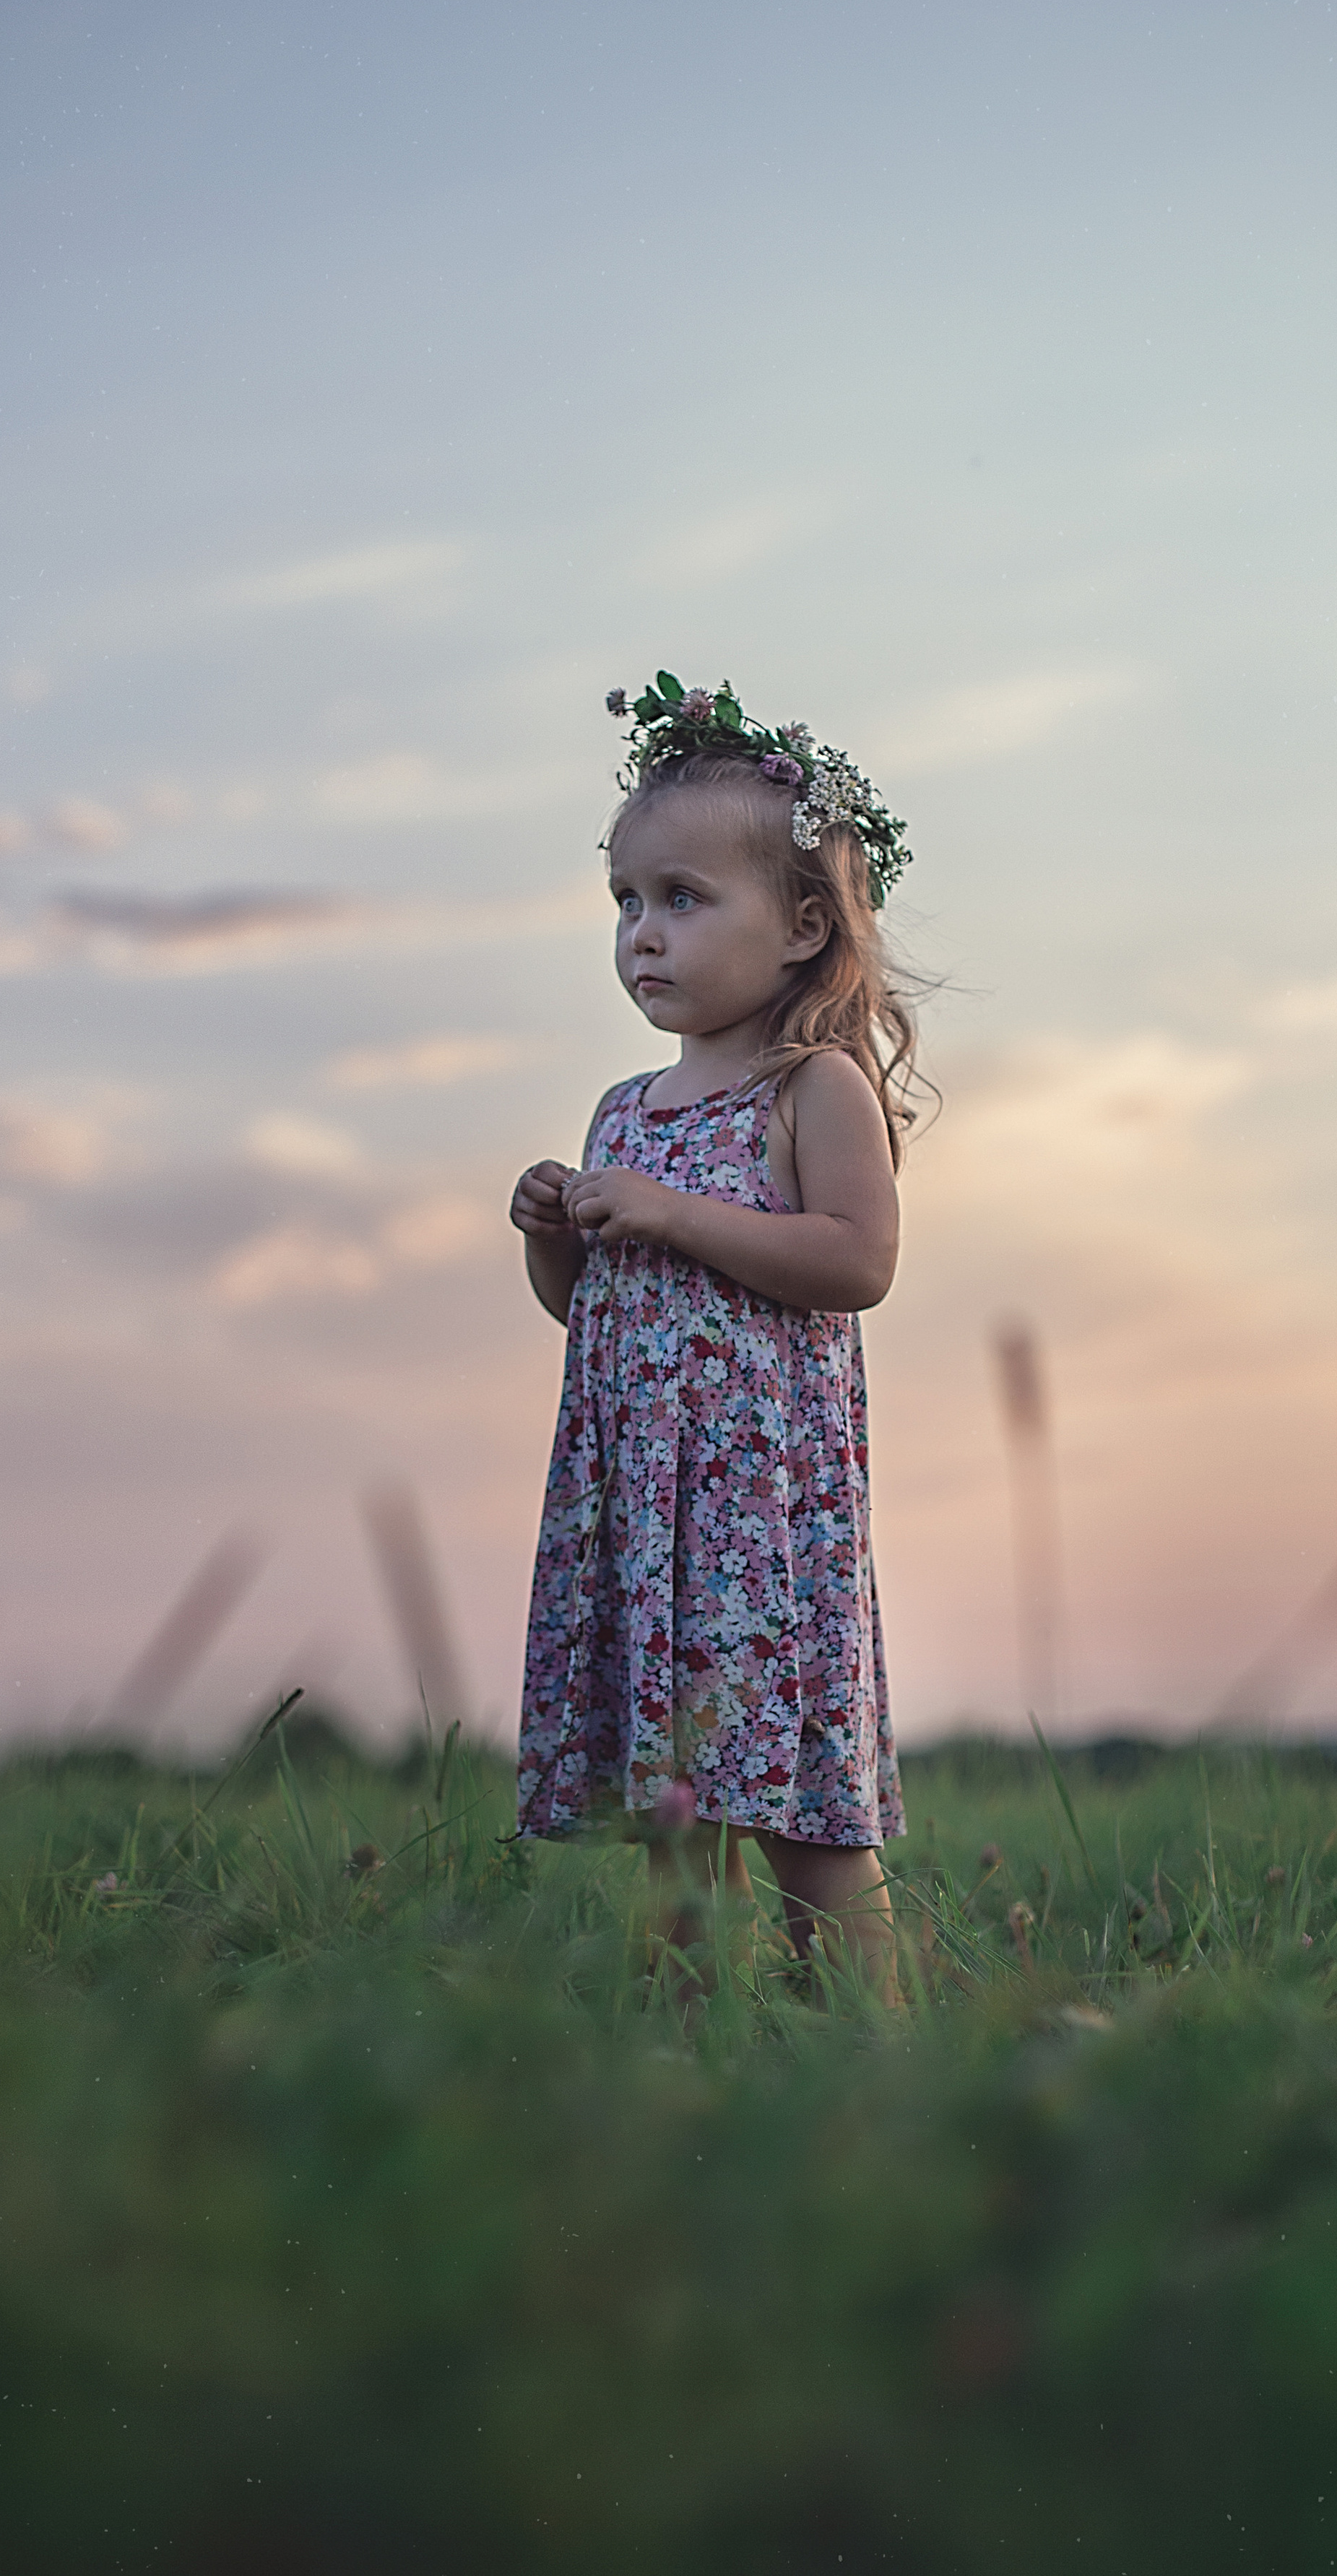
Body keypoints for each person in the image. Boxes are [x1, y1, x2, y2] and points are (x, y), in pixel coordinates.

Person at [510, 670, 918, 2002]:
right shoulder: (622, 1111)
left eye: (684, 899)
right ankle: (692, 2055)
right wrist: (557, 1237)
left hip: (763, 1518)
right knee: (676, 1814)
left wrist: (673, 1213)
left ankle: (873, 2045)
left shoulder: (813, 1088)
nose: (645, 935)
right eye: (626, 902)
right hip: (651, 1513)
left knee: (803, 1809)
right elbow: (597, 1319)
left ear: (803, 924)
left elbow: (858, 1261)